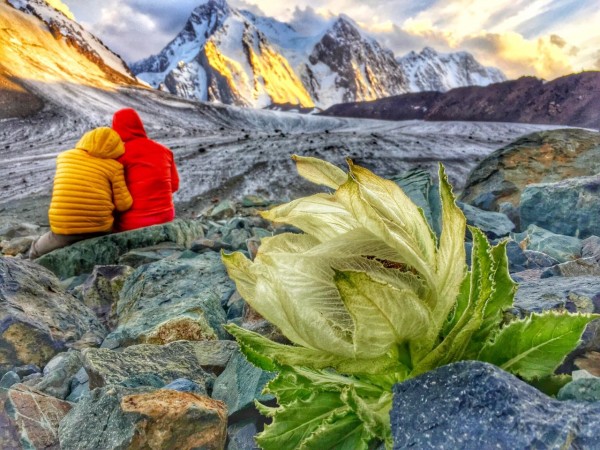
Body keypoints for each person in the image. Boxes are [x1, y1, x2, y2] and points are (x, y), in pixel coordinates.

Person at [29, 127, 132, 259]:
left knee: (37, 250)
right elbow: (123, 205)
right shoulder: (115, 167)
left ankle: (29, 262)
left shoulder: (65, 157)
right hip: (99, 229)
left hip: (65, 228)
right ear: (116, 148)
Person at [111, 108, 179, 231]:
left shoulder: (119, 155)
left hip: (132, 222)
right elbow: (174, 185)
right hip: (166, 216)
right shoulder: (165, 151)